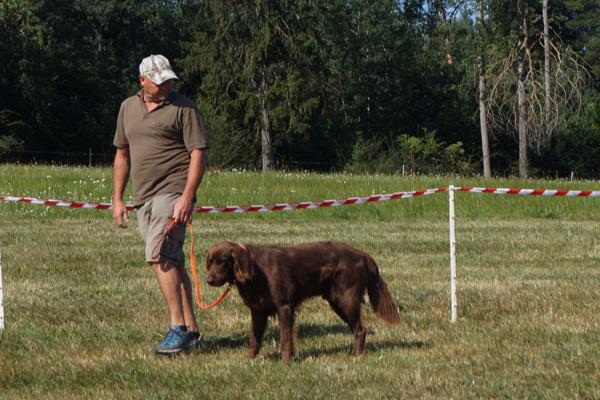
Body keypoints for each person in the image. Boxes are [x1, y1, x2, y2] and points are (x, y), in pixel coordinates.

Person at [112, 54, 209, 355]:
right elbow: (122, 155)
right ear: (142, 80)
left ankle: (177, 328)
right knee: (172, 261)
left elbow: (198, 154)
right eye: (159, 82)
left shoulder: (184, 108)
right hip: (143, 198)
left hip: (173, 193)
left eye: (169, 80)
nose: (166, 86)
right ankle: (192, 332)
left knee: (158, 254)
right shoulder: (127, 108)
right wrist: (117, 199)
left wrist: (187, 196)